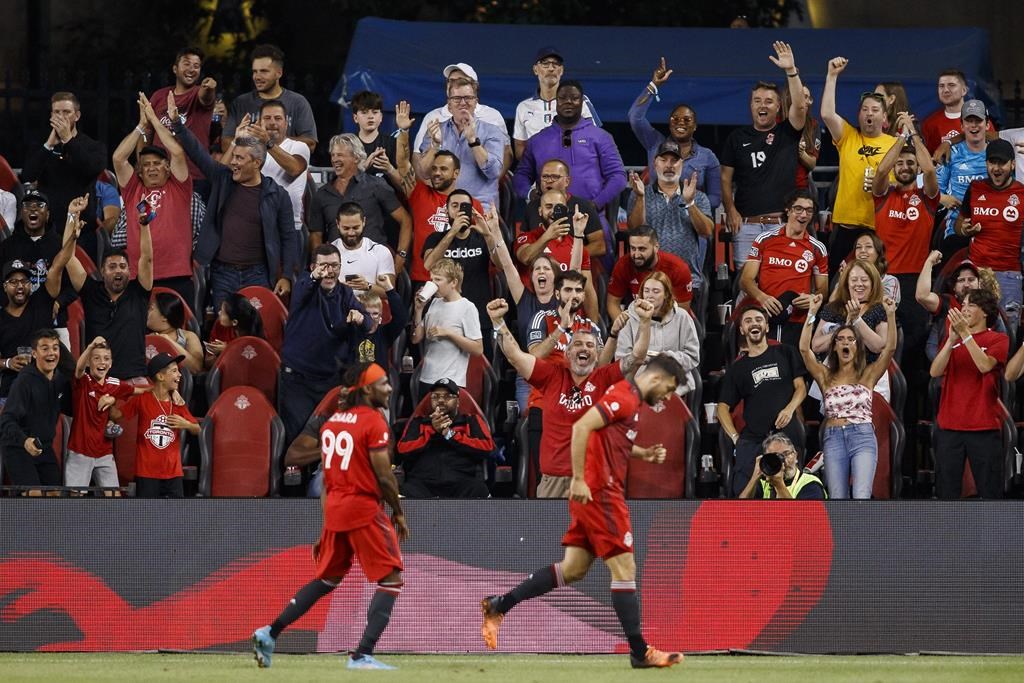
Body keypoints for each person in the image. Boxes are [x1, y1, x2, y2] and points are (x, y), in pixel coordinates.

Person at [479, 353, 686, 669]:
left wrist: (644, 453)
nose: (668, 396)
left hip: (595, 492)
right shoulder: (625, 397)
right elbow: (582, 428)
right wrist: (577, 478)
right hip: (600, 493)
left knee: (573, 569)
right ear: (656, 379)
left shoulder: (629, 403)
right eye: (670, 388)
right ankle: (639, 651)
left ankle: (500, 605)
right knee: (625, 569)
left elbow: (611, 440)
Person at [252, 362, 407, 671]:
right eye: (383, 383)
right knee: (391, 578)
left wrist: (327, 527)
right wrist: (398, 512)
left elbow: (327, 477)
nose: (389, 388)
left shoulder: (332, 423)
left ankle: (269, 633)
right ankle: (362, 655)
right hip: (362, 508)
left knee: (326, 579)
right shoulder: (374, 422)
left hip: (335, 508)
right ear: (367, 389)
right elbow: (384, 476)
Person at [488, 296, 653, 499]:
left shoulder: (604, 377)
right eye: (578, 344)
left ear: (597, 354)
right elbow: (515, 356)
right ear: (567, 352)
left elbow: (636, 357)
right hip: (553, 481)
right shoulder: (551, 375)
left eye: (590, 346)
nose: (584, 348)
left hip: (593, 480)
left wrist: (645, 323)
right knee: (550, 532)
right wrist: (498, 322)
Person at [171, 93, 298, 307]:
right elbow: (197, 153)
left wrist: (286, 275)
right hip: (222, 273)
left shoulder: (277, 194)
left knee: (255, 330)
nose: (234, 163)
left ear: (257, 162)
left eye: (240, 158)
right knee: (225, 330)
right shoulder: (223, 179)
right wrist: (178, 125)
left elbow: (289, 238)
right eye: (235, 157)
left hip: (258, 274)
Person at [800, 293, 897, 499]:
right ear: (834, 346)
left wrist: (890, 316)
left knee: (861, 495)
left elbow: (890, 348)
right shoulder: (826, 376)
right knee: (837, 497)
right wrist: (811, 313)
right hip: (833, 437)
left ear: (857, 345)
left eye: (851, 339)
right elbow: (804, 350)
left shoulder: (868, 374)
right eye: (840, 339)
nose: (846, 343)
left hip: (862, 435)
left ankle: (860, 532)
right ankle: (841, 533)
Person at [720, 42, 807, 267]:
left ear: (779, 107)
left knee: (782, 279)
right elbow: (725, 178)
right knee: (745, 284)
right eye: (757, 101)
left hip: (782, 224)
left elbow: (799, 107)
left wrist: (791, 71)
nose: (762, 105)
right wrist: (730, 210)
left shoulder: (787, 132)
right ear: (750, 105)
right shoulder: (736, 138)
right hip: (747, 225)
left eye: (769, 101)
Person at [279, 244, 370, 447]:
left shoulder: (345, 294)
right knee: (298, 438)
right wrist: (314, 277)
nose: (329, 271)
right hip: (298, 380)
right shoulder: (304, 286)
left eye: (334, 266)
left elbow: (369, 323)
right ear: (313, 267)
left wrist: (360, 318)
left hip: (330, 381)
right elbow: (303, 288)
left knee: (330, 437)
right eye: (323, 266)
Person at [55, 196, 153, 381]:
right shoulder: (91, 290)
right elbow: (68, 257)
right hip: (98, 380)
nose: (118, 271)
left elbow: (146, 258)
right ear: (102, 271)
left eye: (123, 267)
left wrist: (144, 225)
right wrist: (71, 216)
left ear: (129, 270)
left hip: (135, 379)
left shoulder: (139, 291)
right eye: (112, 267)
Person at [113, 92, 196, 306]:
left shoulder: (180, 187)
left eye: (157, 163)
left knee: (181, 335)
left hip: (176, 275)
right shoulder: (133, 190)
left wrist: (154, 121)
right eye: (146, 164)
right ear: (139, 171)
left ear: (168, 169)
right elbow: (118, 158)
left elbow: (177, 152)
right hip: (139, 275)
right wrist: (142, 125)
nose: (151, 168)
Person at [513, 80, 626, 236]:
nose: (568, 102)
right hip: (546, 222)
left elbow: (618, 177)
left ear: (582, 102)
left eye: (574, 98)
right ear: (556, 102)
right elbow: (520, 176)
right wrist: (531, 195)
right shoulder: (538, 140)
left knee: (597, 258)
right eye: (563, 98)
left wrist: (595, 204)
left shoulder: (601, 137)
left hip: (590, 221)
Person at [820, 57, 900, 274]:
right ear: (859, 115)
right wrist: (832, 76)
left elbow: (906, 181)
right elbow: (827, 113)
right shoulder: (848, 136)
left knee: (879, 277)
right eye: (864, 109)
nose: (869, 113)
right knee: (835, 274)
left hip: (879, 224)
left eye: (875, 110)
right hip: (846, 223)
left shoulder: (895, 144)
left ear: (884, 117)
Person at [718, 306, 807, 496]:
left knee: (787, 490)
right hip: (753, 440)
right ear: (742, 330)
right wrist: (735, 438)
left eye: (758, 319)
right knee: (745, 495)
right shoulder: (737, 369)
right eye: (748, 321)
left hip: (786, 436)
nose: (754, 323)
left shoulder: (786, 352)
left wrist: (789, 409)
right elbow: (722, 408)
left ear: (766, 326)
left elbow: (801, 388)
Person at [932, 288, 1008, 499]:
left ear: (985, 312)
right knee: (947, 494)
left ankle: (992, 532)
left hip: (983, 426)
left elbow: (985, 366)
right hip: (949, 426)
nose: (964, 309)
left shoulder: (998, 339)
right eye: (963, 304)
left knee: (990, 493)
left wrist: (965, 335)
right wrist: (950, 340)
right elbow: (935, 371)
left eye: (971, 305)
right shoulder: (953, 338)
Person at [872, 116, 940, 343]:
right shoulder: (883, 195)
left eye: (911, 163)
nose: (905, 167)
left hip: (915, 280)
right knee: (880, 339)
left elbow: (930, 171)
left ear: (917, 166)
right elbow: (881, 170)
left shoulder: (928, 198)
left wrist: (912, 132)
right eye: (899, 163)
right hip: (883, 276)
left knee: (914, 339)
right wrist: (901, 138)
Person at [20, 91, 107, 257]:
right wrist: (48, 146)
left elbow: (91, 169)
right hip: (48, 231)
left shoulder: (93, 146)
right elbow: (27, 176)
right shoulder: (42, 146)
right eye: (56, 112)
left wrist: (68, 140)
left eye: (66, 112)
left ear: (77, 115)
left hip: (81, 231)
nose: (61, 116)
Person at [628, 57, 721, 207]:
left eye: (687, 119)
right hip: (656, 221)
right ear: (669, 123)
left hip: (691, 222)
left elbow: (715, 199)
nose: (680, 122)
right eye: (675, 119)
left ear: (695, 126)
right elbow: (635, 117)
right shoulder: (655, 143)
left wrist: (687, 206)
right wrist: (653, 86)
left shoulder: (707, 157)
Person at [308, 134, 411, 267]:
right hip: (337, 268)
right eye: (333, 155)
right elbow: (316, 234)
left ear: (356, 157)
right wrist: (320, 264)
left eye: (340, 155)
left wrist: (400, 258)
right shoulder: (322, 194)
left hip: (375, 265)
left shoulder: (376, 186)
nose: (334, 159)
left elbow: (405, 220)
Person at [740, 189, 829, 345]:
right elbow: (745, 280)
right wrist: (762, 297)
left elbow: (824, 289)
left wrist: (814, 298)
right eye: (798, 209)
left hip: (798, 319)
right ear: (788, 210)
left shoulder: (818, 248)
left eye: (809, 211)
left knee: (793, 366)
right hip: (765, 316)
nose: (803, 215)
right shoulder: (764, 240)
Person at [954, 138, 1024, 329]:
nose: (997, 168)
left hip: (1009, 275)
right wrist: (964, 229)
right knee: (973, 330)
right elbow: (959, 223)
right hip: (977, 273)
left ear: (1012, 164)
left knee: (1008, 332)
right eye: (992, 162)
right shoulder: (976, 188)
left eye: (1002, 162)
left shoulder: (1022, 193)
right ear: (986, 163)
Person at [627, 140, 715, 286]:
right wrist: (641, 197)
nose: (669, 165)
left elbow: (706, 231)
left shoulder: (697, 196)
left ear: (682, 164)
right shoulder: (639, 193)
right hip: (648, 279)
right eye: (664, 160)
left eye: (674, 160)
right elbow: (634, 229)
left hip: (687, 279)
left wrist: (690, 203)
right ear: (655, 164)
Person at [422, 190, 503, 345]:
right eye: (455, 206)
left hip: (479, 313)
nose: (459, 211)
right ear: (447, 211)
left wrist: (488, 235)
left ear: (472, 210)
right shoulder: (436, 238)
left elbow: (500, 265)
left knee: (480, 366)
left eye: (464, 206)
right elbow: (428, 265)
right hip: (445, 314)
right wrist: (452, 233)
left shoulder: (482, 237)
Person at [416, 77, 505, 210]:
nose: (463, 103)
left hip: (480, 209)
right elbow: (424, 173)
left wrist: (473, 141)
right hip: (442, 208)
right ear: (449, 105)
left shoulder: (492, 131)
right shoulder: (435, 130)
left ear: (476, 102)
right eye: (457, 99)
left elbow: (494, 172)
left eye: (468, 98)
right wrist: (434, 145)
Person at [396, 378, 494, 498]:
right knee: (403, 492)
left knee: (480, 490)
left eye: (447, 396)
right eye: (435, 396)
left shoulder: (471, 420)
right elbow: (403, 449)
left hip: (462, 483)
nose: (441, 400)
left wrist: (449, 434)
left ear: (458, 402)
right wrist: (433, 431)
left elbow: (487, 447)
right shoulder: (418, 422)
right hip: (423, 484)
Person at [119, 352, 198, 498]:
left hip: (173, 472)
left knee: (174, 516)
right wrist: (111, 398)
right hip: (146, 472)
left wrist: (186, 424)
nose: (180, 375)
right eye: (174, 371)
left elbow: (197, 429)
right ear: (160, 377)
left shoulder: (177, 402)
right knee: (148, 516)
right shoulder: (142, 399)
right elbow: (117, 415)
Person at [65, 337, 137, 491]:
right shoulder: (83, 381)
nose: (101, 362)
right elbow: (78, 369)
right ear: (89, 363)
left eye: (106, 359)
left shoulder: (114, 384)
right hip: (80, 452)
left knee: (113, 499)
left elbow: (142, 390)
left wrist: (171, 392)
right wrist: (91, 345)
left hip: (104, 453)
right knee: (74, 501)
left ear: (111, 363)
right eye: (96, 358)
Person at [0, 329, 69, 489]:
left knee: (55, 494)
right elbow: (6, 419)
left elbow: (73, 409)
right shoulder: (24, 380)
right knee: (34, 497)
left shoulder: (60, 380)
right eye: (45, 348)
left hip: (44, 447)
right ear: (34, 354)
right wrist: (24, 441)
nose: (51, 353)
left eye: (55, 347)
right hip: (18, 448)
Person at [412, 63, 512, 173]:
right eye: (450, 81)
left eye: (459, 80)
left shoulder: (492, 116)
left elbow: (506, 154)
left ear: (473, 86)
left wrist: (493, 184)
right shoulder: (433, 116)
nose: (453, 84)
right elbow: (418, 157)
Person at [613, 272, 700, 396]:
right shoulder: (629, 318)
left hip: (673, 384)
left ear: (666, 294)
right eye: (646, 291)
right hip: (638, 384)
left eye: (656, 291)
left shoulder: (682, 317)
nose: (650, 296)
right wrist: (640, 360)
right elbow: (621, 358)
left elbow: (693, 356)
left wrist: (666, 358)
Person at [234, 99, 311, 234]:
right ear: (259, 123)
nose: (272, 122)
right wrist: (236, 141)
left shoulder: (299, 146)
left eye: (278, 118)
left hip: (290, 227)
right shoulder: (250, 149)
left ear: (286, 124)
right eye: (267, 118)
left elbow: (295, 169)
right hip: (256, 225)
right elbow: (223, 171)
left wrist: (267, 142)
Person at [223, 44, 317, 152]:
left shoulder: (298, 102)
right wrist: (256, 141)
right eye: (255, 71)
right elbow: (226, 144)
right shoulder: (241, 102)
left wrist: (270, 141)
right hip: (249, 168)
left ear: (279, 73)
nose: (257, 77)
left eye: (264, 71)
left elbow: (310, 144)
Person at [411, 259, 483, 396]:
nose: (433, 283)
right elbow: (416, 339)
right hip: (427, 377)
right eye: (431, 279)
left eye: (438, 279)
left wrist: (449, 334)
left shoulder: (467, 307)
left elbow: (478, 349)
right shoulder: (434, 303)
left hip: (451, 380)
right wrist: (418, 310)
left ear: (453, 283)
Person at [513, 47, 600, 159]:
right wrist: (530, 167)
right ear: (535, 69)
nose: (551, 68)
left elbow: (595, 137)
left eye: (556, 64)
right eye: (545, 64)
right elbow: (520, 145)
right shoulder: (523, 107)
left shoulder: (579, 100)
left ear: (562, 70)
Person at [149, 47, 216, 184]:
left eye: (196, 66)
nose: (192, 69)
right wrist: (141, 160)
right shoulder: (159, 96)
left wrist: (210, 87)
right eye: (186, 64)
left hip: (193, 177)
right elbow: (146, 131)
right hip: (160, 176)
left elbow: (206, 97)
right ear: (175, 69)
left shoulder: (197, 94)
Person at [935, 100, 990, 253]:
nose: (974, 125)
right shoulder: (950, 153)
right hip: (955, 230)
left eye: (978, 120)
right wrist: (942, 198)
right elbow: (933, 192)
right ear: (961, 126)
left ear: (987, 125)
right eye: (969, 121)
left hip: (991, 230)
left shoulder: (997, 153)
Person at [520, 159, 606, 258]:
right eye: (545, 177)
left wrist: (568, 257)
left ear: (567, 181)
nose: (549, 181)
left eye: (555, 177)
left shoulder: (584, 207)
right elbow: (523, 245)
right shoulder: (532, 207)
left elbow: (599, 246)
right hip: (541, 267)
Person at [607, 225, 693, 320]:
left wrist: (658, 333)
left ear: (656, 247)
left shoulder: (677, 268)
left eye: (642, 249)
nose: (636, 255)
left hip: (671, 323)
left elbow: (681, 310)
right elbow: (613, 303)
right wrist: (626, 329)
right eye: (633, 248)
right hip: (637, 321)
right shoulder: (623, 265)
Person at [921, 70, 996, 154]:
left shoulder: (981, 121)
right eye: (941, 86)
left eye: (951, 85)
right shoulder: (930, 123)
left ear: (964, 90)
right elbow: (927, 157)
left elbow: (994, 152)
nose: (945, 90)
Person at [331, 202, 396, 297]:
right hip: (338, 306)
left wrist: (368, 286)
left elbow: (390, 293)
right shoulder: (328, 253)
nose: (351, 233)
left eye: (356, 227)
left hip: (371, 307)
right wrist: (338, 288)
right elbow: (318, 291)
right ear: (337, 224)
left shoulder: (380, 252)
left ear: (364, 222)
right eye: (346, 228)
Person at [738, 433, 825, 499]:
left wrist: (779, 485)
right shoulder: (763, 483)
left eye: (786, 454)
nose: (783, 461)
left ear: (796, 456)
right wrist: (754, 477)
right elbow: (740, 511)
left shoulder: (810, 484)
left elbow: (799, 520)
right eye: (775, 457)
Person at [352, 276, 407, 366]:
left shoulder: (384, 334)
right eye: (366, 313)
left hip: (378, 378)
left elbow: (401, 318)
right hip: (354, 378)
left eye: (375, 314)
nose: (371, 317)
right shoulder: (350, 331)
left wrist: (389, 289)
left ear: (380, 317)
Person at [147, 292, 204, 374]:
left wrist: (168, 342)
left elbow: (196, 368)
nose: (146, 312)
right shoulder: (141, 335)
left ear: (164, 317)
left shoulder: (188, 336)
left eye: (151, 308)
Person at [205, 293, 264, 363]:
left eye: (223, 313)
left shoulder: (252, 333)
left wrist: (228, 349)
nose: (219, 313)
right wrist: (217, 355)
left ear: (234, 322)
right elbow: (208, 362)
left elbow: (252, 364)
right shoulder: (219, 324)